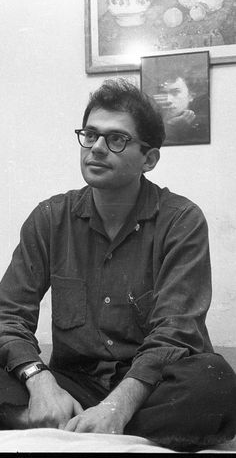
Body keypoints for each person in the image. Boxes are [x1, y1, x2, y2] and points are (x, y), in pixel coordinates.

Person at [0, 78, 235, 452]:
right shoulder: (50, 218)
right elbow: (8, 315)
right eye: (90, 134)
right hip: (71, 380)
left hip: (150, 385)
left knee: (214, 383)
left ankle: (67, 424)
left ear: (149, 159)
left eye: (116, 139)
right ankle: (73, 419)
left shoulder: (181, 220)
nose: (96, 148)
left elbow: (176, 331)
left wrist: (117, 405)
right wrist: (39, 382)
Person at [153, 71, 209, 145]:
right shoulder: (153, 124)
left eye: (175, 92)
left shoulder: (203, 126)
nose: (168, 100)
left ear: (191, 96)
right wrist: (171, 125)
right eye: (163, 93)